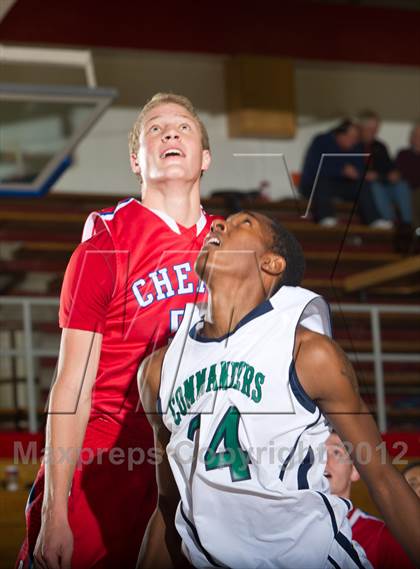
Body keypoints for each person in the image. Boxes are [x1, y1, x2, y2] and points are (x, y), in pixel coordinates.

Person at [138, 211, 420, 568]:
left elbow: (383, 479)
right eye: (223, 222)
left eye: (245, 223)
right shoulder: (158, 370)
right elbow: (170, 506)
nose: (219, 224)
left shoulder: (308, 353)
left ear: (271, 263)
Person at [16, 93, 220, 569]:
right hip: (107, 458)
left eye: (184, 127)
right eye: (155, 129)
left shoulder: (231, 246)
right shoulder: (106, 244)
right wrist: (55, 511)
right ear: (136, 159)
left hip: (194, 466)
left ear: (205, 158)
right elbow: (72, 385)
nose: (170, 133)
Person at [325, 431, 415, 568]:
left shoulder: (381, 537)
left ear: (354, 470)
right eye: (317, 451)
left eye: (337, 452)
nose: (324, 460)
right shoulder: (292, 528)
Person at [300, 120, 385, 228]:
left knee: (362, 185)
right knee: (323, 181)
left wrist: (359, 174)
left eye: (355, 138)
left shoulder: (356, 146)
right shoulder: (321, 141)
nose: (353, 141)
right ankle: (326, 217)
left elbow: (359, 168)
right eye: (351, 137)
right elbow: (315, 167)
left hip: (341, 186)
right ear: (340, 134)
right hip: (315, 185)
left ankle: (374, 220)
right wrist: (341, 170)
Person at [357, 110, 412, 228]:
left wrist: (394, 173)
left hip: (384, 181)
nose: (374, 131)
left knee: (402, 185)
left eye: (376, 128)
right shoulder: (354, 145)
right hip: (368, 186)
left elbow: (389, 166)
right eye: (370, 128)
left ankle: (407, 224)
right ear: (361, 127)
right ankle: (389, 222)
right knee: (375, 186)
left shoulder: (380, 146)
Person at [396, 124, 420, 228]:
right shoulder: (403, 154)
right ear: (411, 138)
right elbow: (400, 174)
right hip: (408, 189)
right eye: (416, 135)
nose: (418, 139)